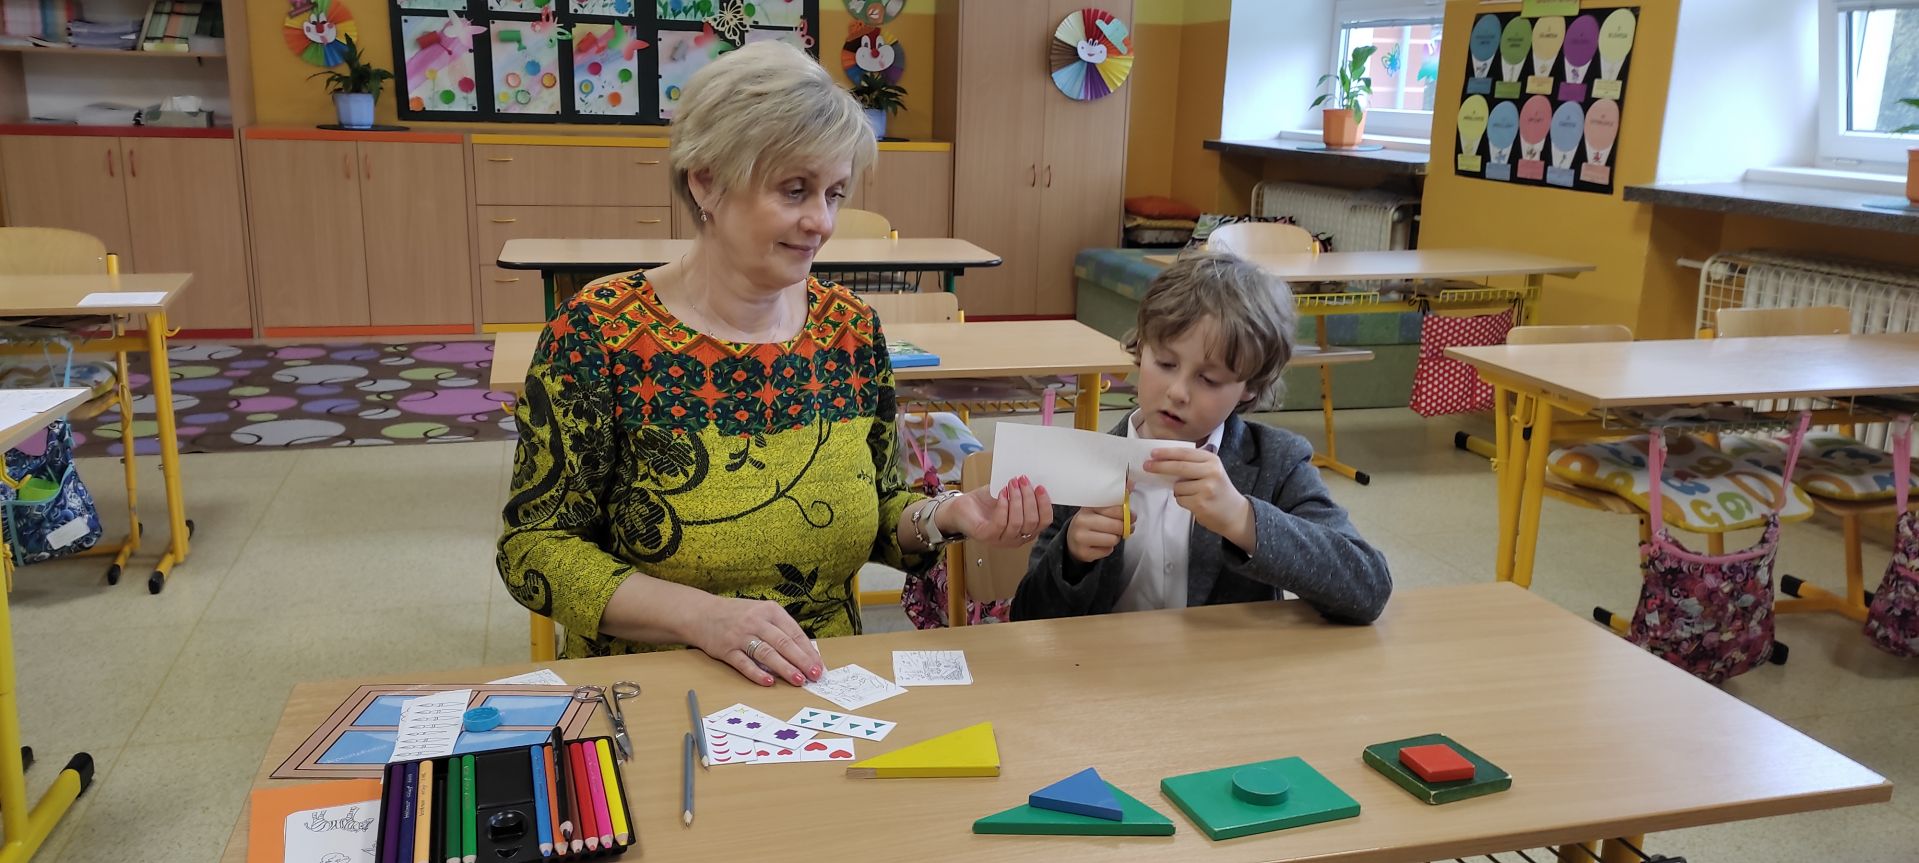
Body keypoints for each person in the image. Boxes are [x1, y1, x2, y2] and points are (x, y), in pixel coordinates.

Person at [498, 40, 1051, 684]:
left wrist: (947, 515)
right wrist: (702, 618)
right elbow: (535, 548)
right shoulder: (602, 332)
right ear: (705, 181)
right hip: (653, 686)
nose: (821, 221)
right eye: (795, 191)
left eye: (834, 194)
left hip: (823, 684)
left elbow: (877, 512)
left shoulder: (849, 330)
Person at [1012, 251, 1391, 622]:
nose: (1178, 392)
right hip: (1105, 662)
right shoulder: (1084, 463)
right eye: (1165, 363)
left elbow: (1368, 588)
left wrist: (1243, 519)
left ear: (1250, 387)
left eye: (1209, 379)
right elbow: (1027, 616)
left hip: (1226, 664)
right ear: (1141, 349)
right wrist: (1071, 557)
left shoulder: (1277, 463)